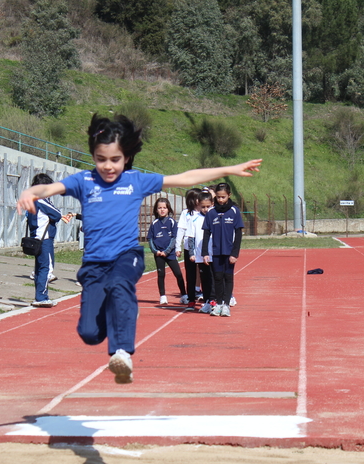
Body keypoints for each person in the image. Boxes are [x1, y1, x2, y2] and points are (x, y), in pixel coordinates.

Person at [17, 113, 261, 384]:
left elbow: (185, 177)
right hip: (95, 262)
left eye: (115, 159)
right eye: (101, 159)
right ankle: (106, 324)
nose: (108, 166)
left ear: (126, 157)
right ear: (94, 156)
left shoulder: (135, 181)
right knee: (89, 333)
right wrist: (32, 192)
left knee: (121, 285)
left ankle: (122, 351)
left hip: (126, 255)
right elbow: (52, 187)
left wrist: (227, 170)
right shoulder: (84, 182)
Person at [203, 183, 244, 317]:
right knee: (218, 277)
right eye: (219, 197)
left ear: (229, 196)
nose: (220, 200)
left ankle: (226, 305)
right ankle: (218, 304)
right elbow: (206, 233)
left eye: (223, 197)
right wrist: (204, 253)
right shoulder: (211, 212)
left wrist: (234, 253)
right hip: (216, 252)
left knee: (228, 277)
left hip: (229, 252)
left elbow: (238, 234)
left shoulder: (234, 211)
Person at [26, 173, 63, 307]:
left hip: (35, 237)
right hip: (44, 238)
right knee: (46, 268)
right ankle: (41, 297)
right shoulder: (41, 201)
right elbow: (57, 215)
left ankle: (40, 295)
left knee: (39, 268)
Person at [147, 198, 186, 305]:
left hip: (170, 254)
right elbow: (150, 239)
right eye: (160, 208)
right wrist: (155, 251)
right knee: (161, 274)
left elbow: (174, 238)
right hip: (159, 254)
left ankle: (184, 295)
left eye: (164, 208)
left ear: (168, 209)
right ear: (156, 210)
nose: (162, 210)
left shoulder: (172, 222)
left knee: (178, 273)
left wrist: (167, 251)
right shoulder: (154, 223)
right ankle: (162, 296)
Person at [189, 191, 215, 313]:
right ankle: (207, 301)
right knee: (204, 279)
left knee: (214, 278)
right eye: (203, 206)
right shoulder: (194, 219)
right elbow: (191, 237)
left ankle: (215, 301)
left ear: (212, 204)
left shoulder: (215, 217)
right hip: (200, 255)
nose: (205, 209)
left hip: (214, 254)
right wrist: (191, 253)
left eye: (208, 206)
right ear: (198, 204)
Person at [175, 188, 200, 308]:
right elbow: (180, 230)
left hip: (201, 248)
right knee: (190, 274)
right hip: (188, 248)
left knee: (204, 273)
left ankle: (207, 297)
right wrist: (177, 246)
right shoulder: (186, 213)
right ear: (193, 200)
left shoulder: (204, 212)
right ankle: (191, 299)